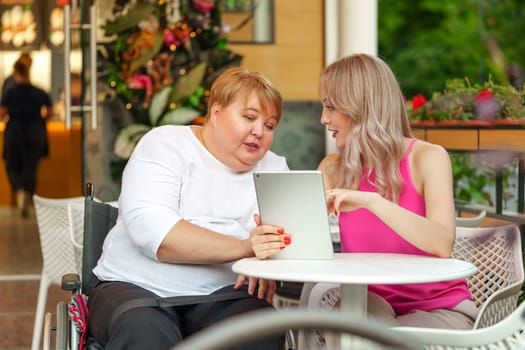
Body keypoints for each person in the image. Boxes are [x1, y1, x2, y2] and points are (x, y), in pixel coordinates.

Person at [87, 67, 291, 349]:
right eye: (249, 117)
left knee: (256, 332)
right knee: (147, 334)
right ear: (216, 113)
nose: (259, 131)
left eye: (269, 125)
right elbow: (156, 234)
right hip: (136, 287)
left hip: (225, 294)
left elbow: (287, 240)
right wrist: (246, 248)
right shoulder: (165, 145)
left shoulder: (274, 168)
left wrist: (269, 262)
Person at [312, 54, 478, 332]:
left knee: (376, 338)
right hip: (368, 304)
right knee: (352, 323)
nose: (323, 118)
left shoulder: (427, 158)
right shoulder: (332, 169)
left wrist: (372, 201)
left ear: (362, 107)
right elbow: (303, 242)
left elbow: (441, 242)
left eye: (331, 107)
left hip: (437, 307)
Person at [0, 57, 52, 218]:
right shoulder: (39, 92)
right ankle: (28, 195)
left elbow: (2, 113)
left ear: (16, 73)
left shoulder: (10, 92)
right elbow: (50, 111)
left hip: (14, 132)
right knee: (31, 166)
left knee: (12, 166)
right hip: (35, 131)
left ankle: (19, 191)